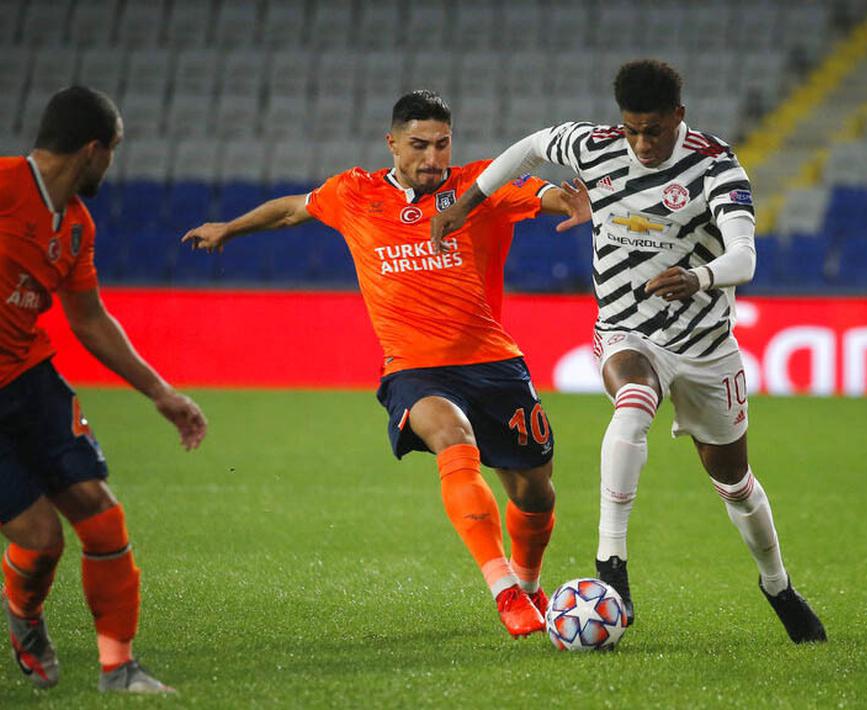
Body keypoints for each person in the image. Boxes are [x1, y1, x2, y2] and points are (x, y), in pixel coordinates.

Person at [432, 60, 827, 644]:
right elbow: (529, 148)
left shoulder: (715, 164)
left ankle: (777, 585)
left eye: (654, 131)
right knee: (632, 401)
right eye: (633, 129)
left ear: (678, 118)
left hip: (705, 344)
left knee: (735, 483)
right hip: (626, 328)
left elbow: (745, 257)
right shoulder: (595, 146)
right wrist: (466, 204)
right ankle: (610, 563)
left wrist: (699, 278)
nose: (642, 143)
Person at [182, 90, 589, 639]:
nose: (432, 159)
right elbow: (292, 210)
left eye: (442, 145)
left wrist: (574, 203)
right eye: (418, 145)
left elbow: (544, 195)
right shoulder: (355, 193)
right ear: (391, 143)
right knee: (452, 437)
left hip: (494, 362)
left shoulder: (478, 187)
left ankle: (530, 580)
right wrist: (230, 228)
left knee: (535, 493)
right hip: (414, 368)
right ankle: (505, 590)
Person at [1, 86, 207, 693]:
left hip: (29, 381)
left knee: (101, 513)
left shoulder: (76, 225)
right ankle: (26, 617)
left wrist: (161, 393)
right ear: (92, 150)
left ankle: (119, 668)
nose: (112, 166)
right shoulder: (7, 185)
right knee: (41, 541)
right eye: (112, 152)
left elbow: (89, 319)